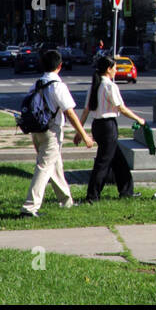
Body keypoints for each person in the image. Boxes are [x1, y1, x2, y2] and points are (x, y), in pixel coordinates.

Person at [21, 49, 95, 217]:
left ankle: (66, 201)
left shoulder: (37, 83)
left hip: (36, 130)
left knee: (55, 166)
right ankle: (30, 207)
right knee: (44, 167)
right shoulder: (58, 86)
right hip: (52, 132)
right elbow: (69, 112)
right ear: (60, 66)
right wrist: (84, 135)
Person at [79, 56, 147, 201]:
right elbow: (121, 108)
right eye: (115, 68)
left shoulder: (94, 85)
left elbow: (86, 110)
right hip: (108, 126)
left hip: (97, 125)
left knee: (119, 160)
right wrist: (138, 119)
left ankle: (126, 191)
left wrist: (81, 130)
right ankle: (92, 196)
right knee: (103, 163)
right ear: (108, 69)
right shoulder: (110, 86)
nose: (116, 70)